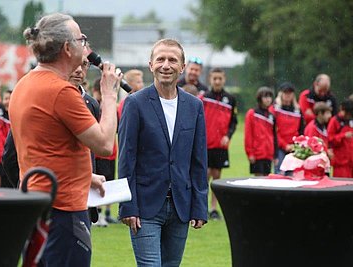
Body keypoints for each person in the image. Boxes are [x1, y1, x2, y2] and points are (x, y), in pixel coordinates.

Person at [9, 13, 122, 266]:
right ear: (68, 48)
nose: (86, 46)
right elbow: (104, 145)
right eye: (82, 39)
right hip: (64, 211)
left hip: (37, 203)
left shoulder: (24, 84)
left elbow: (44, 147)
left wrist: (86, 176)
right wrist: (109, 94)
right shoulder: (62, 91)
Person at [118, 38, 208, 266]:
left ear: (182, 67)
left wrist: (199, 205)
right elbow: (127, 158)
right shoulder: (135, 103)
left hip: (181, 206)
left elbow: (198, 161)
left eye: (172, 60)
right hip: (145, 207)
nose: (166, 65)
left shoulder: (194, 106)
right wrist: (127, 205)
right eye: (160, 59)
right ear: (151, 65)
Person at [200, 68, 237, 220]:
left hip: (220, 146)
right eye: (214, 78)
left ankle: (213, 209)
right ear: (210, 79)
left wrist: (228, 136)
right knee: (205, 176)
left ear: (224, 79)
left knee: (217, 176)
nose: (217, 81)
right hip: (206, 144)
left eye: (219, 78)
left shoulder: (230, 99)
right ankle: (201, 208)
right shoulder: (204, 98)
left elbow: (233, 122)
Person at [92, 78, 118, 226]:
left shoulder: (111, 107)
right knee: (99, 183)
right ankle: (98, 215)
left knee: (109, 182)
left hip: (111, 152)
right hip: (98, 153)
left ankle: (106, 214)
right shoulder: (94, 106)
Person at [269, 82, 304, 174]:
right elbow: (273, 131)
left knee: (292, 175)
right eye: (285, 92)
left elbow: (301, 130)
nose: (288, 95)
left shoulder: (298, 110)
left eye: (290, 92)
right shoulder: (275, 109)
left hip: (294, 147)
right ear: (281, 93)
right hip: (279, 147)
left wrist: (296, 145)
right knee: (279, 174)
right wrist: (285, 145)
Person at [245, 87, 277, 176]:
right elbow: (248, 135)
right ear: (260, 98)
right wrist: (250, 153)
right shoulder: (252, 113)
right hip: (257, 154)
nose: (268, 99)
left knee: (267, 180)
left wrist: (275, 155)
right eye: (265, 97)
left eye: (269, 97)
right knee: (258, 181)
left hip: (268, 154)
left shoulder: (272, 116)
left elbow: (274, 135)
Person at [327, 99, 353, 178]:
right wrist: (343, 136)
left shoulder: (350, 121)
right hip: (339, 163)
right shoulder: (335, 121)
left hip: (350, 163)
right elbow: (330, 139)